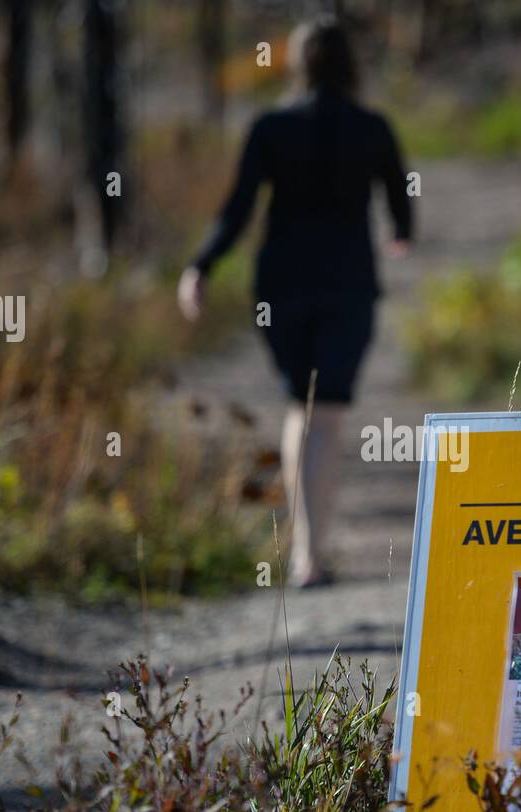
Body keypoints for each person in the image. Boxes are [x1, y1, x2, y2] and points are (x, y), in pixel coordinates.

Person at [177, 18, 413, 589]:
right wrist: (402, 234)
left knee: (296, 409)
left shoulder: (271, 127)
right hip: (348, 285)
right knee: (327, 415)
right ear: (350, 65)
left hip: (280, 287)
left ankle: (304, 553)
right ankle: (311, 552)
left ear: (297, 65)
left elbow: (237, 209)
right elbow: (399, 194)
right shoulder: (372, 126)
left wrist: (199, 266)